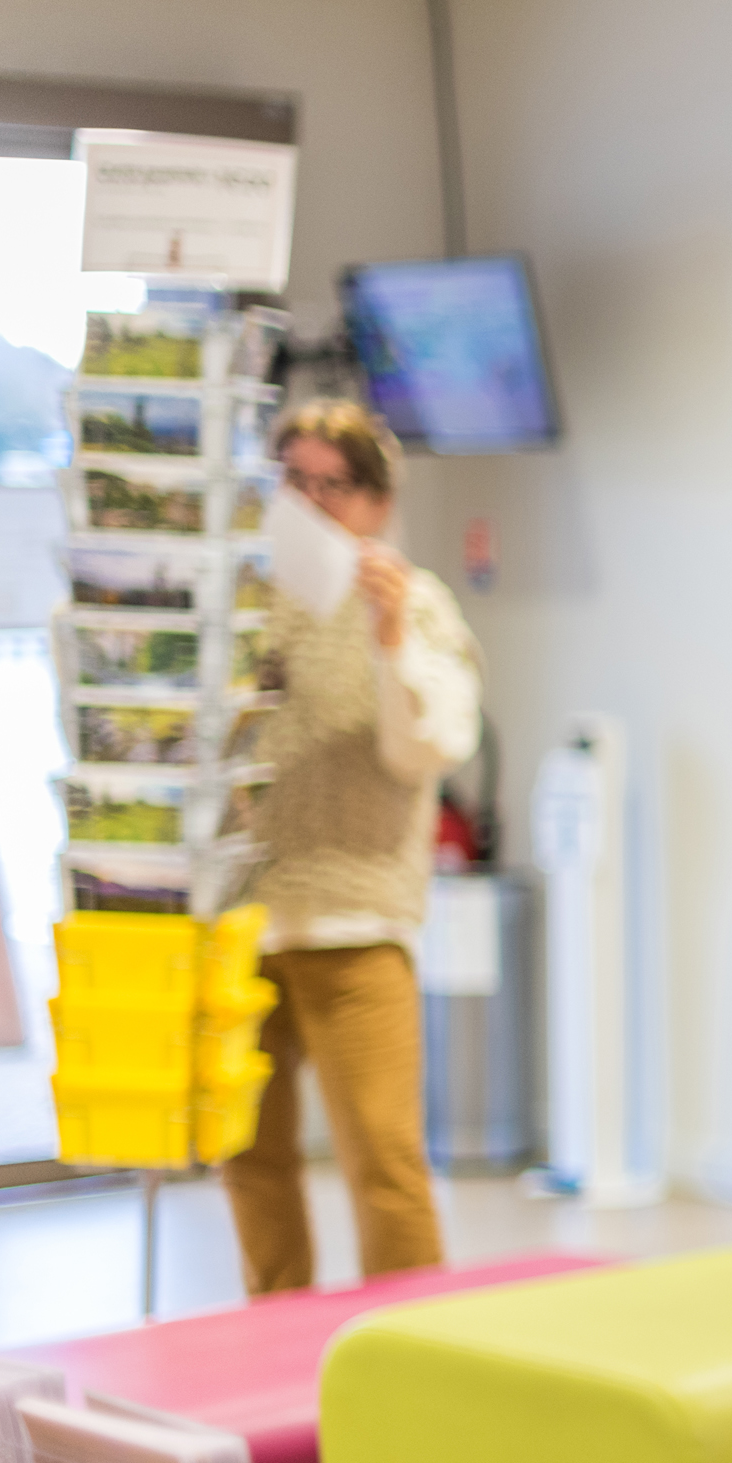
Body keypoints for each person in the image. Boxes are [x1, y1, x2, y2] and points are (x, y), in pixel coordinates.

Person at [222, 401, 481, 1296]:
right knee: (250, 1160)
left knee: (385, 1158)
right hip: (240, 923)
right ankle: (271, 1341)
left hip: (355, 917)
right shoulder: (240, 602)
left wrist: (391, 638)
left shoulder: (418, 602)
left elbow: (428, 748)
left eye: (333, 484)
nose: (312, 502)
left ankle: (414, 1358)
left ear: (375, 500)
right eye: (295, 480)